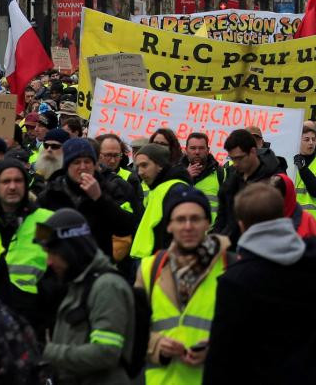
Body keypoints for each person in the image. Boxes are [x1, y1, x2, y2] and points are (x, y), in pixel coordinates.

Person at [204, 173, 316, 385]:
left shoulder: (234, 280)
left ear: (241, 225)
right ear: (283, 214)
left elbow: (221, 354)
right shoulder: (313, 256)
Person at [135, 187, 229, 385]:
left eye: (195, 219)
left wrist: (216, 350)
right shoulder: (149, 269)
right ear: (169, 225)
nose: (188, 226)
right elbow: (132, 332)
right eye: (180, 219)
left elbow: (252, 332)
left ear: (207, 223)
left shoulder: (230, 265)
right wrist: (157, 345)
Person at [38, 208, 136, 385]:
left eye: (53, 253)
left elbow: (106, 352)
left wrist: (47, 351)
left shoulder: (107, 286)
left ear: (71, 249)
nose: (49, 261)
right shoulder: (78, 285)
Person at [0, 158, 54, 337]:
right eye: (6, 181)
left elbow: (56, 266)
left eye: (18, 181)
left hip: (30, 316)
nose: (12, 186)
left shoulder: (44, 220)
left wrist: (41, 297)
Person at [38, 138, 137, 256]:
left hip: (96, 265)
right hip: (60, 265)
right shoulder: (51, 193)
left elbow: (126, 227)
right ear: (66, 166)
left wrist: (99, 198)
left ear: (95, 165)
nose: (83, 167)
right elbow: (40, 236)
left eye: (87, 162)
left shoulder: (110, 189)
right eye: (76, 162)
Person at [214, 129, 282, 245]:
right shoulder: (231, 182)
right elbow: (222, 219)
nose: (235, 163)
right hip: (232, 247)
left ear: (253, 152)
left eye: (239, 158)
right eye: (232, 159)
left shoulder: (275, 179)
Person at [130, 143, 190, 260]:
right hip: (149, 261)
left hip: (159, 263)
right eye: (138, 167)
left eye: (144, 165)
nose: (140, 172)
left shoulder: (175, 189)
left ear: (160, 165)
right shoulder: (159, 187)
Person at [184, 133, 223, 224]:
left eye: (201, 148)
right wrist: (185, 177)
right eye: (193, 148)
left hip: (211, 234)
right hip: (184, 233)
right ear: (186, 150)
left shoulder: (221, 174)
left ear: (207, 150)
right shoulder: (175, 173)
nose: (197, 152)